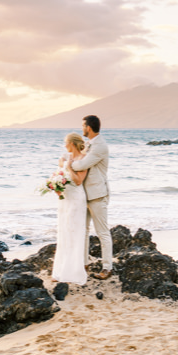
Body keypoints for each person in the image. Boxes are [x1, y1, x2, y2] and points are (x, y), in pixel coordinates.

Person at [69, 114, 112, 279]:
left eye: (83, 126)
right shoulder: (89, 145)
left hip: (97, 194)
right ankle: (83, 264)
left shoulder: (100, 146)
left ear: (88, 127)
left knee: (102, 232)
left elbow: (82, 164)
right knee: (84, 231)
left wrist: (68, 164)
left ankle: (107, 267)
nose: (82, 129)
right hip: (84, 195)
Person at [51, 132, 89, 285]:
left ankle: (73, 272)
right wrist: (56, 186)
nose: (64, 145)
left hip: (76, 199)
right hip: (65, 199)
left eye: (66, 142)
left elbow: (79, 181)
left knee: (74, 232)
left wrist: (69, 167)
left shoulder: (83, 159)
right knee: (64, 232)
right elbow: (61, 175)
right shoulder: (64, 158)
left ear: (72, 143)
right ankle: (59, 271)